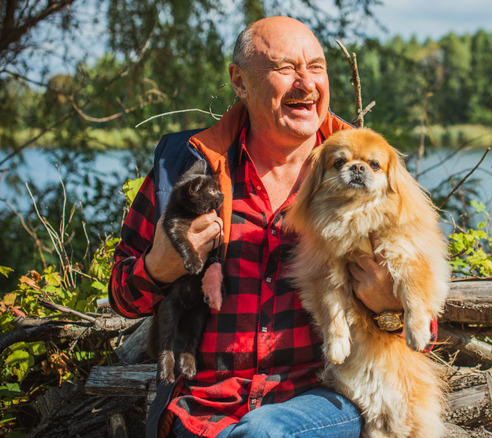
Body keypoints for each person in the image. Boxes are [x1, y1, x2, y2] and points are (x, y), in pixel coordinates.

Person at [109, 16, 431, 438]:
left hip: (323, 394)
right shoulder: (186, 166)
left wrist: (389, 308)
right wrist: (158, 267)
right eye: (285, 69)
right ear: (239, 82)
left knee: (263, 434)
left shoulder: (367, 167)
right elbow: (122, 296)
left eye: (315, 67)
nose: (306, 83)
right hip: (204, 407)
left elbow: (424, 323)